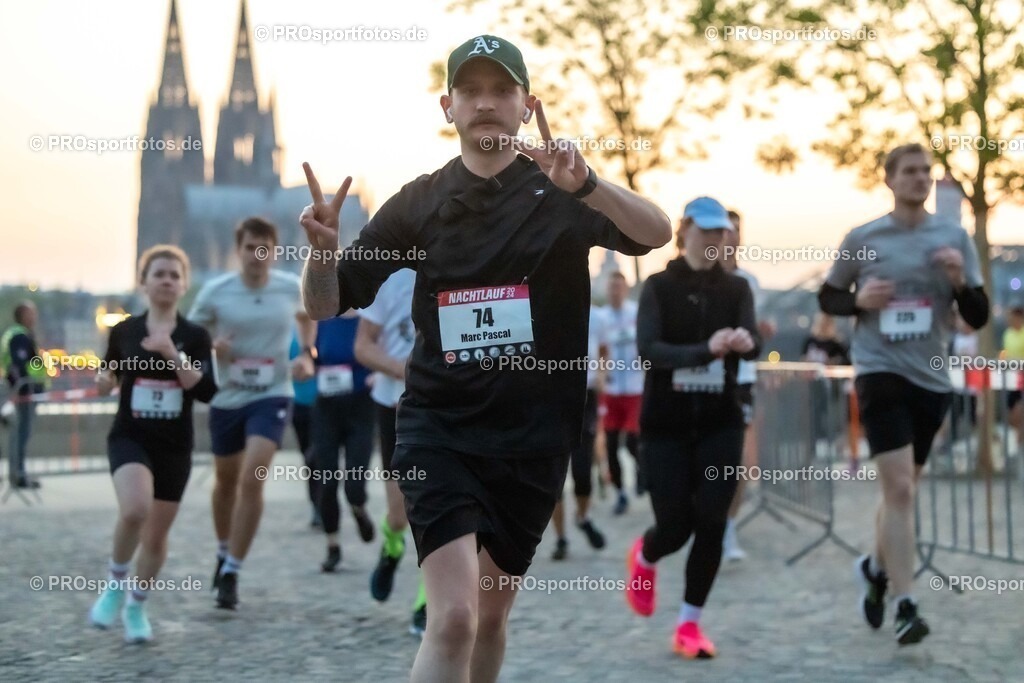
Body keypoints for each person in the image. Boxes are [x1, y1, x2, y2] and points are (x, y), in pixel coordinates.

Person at [300, 34, 670, 682]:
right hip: (439, 430)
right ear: (448, 107)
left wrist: (588, 184)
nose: (486, 103)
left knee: (491, 621)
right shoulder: (419, 203)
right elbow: (328, 303)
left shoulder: (563, 192)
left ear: (528, 105)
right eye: (470, 91)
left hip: (534, 440)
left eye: (502, 90)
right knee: (453, 619)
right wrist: (323, 254)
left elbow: (656, 233)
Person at [818, 143, 989, 645]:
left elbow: (978, 315)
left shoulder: (954, 236)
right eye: (909, 171)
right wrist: (859, 301)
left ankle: (874, 569)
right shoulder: (864, 237)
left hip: (931, 377)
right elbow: (828, 295)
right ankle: (906, 604)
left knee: (902, 490)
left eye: (925, 171)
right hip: (880, 371)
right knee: (900, 489)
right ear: (889, 180)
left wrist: (960, 282)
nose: (920, 178)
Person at [625, 196, 760, 659]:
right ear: (684, 232)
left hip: (721, 421)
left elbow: (752, 341)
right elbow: (649, 351)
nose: (715, 239)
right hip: (665, 424)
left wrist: (743, 340)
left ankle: (689, 624)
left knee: (712, 521)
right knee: (675, 526)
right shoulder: (658, 287)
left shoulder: (737, 288)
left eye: (721, 232)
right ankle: (646, 554)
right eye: (706, 231)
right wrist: (707, 349)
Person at [89, 245, 217, 642]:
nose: (166, 281)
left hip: (174, 446)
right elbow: (108, 372)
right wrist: (104, 380)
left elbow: (206, 390)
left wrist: (171, 353)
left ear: (184, 285)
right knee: (135, 509)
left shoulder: (195, 336)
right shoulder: (125, 331)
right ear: (143, 282)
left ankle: (136, 606)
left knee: (156, 536)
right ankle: (115, 583)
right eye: (158, 274)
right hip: (131, 435)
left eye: (174, 275)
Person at [188, 217, 317, 609]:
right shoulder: (217, 291)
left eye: (265, 248)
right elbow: (189, 337)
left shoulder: (289, 287)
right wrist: (213, 346)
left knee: (252, 477)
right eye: (249, 247)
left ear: (274, 251)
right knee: (226, 482)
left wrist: (306, 353)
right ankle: (222, 549)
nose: (257, 256)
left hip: (273, 394)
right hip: (228, 396)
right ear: (237, 250)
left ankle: (232, 570)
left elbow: (308, 315)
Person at [354, 267, 428, 635]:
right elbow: (363, 346)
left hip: (445, 409)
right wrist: (404, 371)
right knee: (400, 515)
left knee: (437, 514)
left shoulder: (466, 264)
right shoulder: (389, 278)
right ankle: (392, 546)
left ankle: (428, 602)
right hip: (393, 405)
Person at [719, 209, 774, 561]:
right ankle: (702, 519)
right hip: (702, 378)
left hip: (741, 380)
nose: (732, 237)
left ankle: (727, 528)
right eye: (726, 230)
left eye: (737, 230)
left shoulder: (749, 282)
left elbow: (754, 335)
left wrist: (761, 335)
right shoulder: (695, 279)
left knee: (737, 461)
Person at [310, 312, 377, 572]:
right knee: (327, 479)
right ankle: (333, 545)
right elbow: (311, 355)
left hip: (361, 406)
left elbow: (381, 352)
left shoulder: (370, 318)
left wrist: (378, 374)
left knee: (354, 483)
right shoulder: (322, 319)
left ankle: (359, 509)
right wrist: (306, 363)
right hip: (327, 407)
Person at [550, 303, 608, 559]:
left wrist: (602, 374)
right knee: (555, 478)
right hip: (553, 399)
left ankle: (583, 517)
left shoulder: (596, 315)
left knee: (583, 472)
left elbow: (604, 350)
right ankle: (561, 538)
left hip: (586, 396)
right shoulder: (546, 306)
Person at [602, 272, 645, 514]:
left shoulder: (636, 313)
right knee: (610, 446)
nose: (615, 292)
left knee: (632, 441)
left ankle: (642, 470)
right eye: (611, 288)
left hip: (635, 389)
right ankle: (620, 493)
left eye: (619, 287)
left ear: (625, 289)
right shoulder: (601, 317)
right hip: (611, 390)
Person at [2, 301, 49, 488]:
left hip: (23, 391)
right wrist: (24, 387)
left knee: (19, 434)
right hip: (25, 392)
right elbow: (19, 365)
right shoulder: (19, 336)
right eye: (32, 313)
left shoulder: (14, 334)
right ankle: (19, 475)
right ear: (23, 316)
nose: (35, 317)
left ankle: (18, 474)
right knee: (21, 434)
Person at [288, 330, 320, 527]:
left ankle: (326, 503)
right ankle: (317, 505)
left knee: (322, 457)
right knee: (310, 459)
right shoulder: (290, 331)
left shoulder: (326, 327)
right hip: (300, 404)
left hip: (328, 404)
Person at [1004, 306, 1024, 455]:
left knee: (1020, 411)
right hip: (1012, 379)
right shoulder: (1008, 334)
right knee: (1012, 414)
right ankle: (1019, 439)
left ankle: (1019, 442)